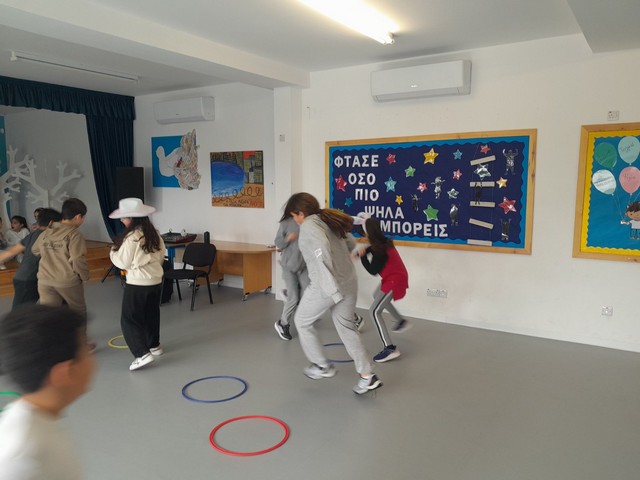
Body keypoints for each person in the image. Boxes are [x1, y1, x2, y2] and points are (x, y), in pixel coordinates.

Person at [288, 192, 382, 395]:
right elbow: (350, 244)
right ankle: (367, 376)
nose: (294, 220)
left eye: (294, 216)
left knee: (302, 321)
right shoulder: (327, 219)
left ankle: (321, 366)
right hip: (348, 282)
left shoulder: (309, 226)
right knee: (347, 329)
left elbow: (321, 247)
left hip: (326, 286)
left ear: (301, 213)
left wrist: (327, 276)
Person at [0, 305, 96, 480]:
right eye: (86, 351)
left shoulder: (42, 419)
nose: (93, 361)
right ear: (64, 373)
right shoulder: (23, 451)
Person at [109, 198, 166, 371]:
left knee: (129, 319)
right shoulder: (154, 234)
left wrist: (112, 252)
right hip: (155, 281)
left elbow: (122, 262)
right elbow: (161, 256)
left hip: (138, 283)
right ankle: (154, 345)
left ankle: (141, 354)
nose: (121, 220)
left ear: (132, 218)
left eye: (124, 217)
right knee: (151, 314)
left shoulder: (132, 237)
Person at [354, 216, 412, 363]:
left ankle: (389, 348)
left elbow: (373, 270)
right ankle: (400, 321)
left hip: (395, 280)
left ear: (369, 233)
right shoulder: (383, 242)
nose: (363, 237)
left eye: (364, 234)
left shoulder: (380, 250)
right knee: (377, 295)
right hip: (392, 277)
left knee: (374, 311)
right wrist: (362, 252)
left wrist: (362, 257)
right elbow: (371, 248)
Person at [31, 198, 90, 321]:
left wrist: (50, 252)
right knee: (78, 312)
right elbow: (77, 259)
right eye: (83, 217)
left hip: (45, 280)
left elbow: (35, 250)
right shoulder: (74, 234)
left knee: (49, 316)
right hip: (67, 281)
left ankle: (50, 334)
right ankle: (77, 334)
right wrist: (84, 276)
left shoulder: (47, 232)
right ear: (78, 217)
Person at [0, 208, 62, 310]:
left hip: (29, 278)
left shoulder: (33, 234)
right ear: (51, 223)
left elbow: (11, 251)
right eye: (59, 223)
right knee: (20, 313)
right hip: (28, 279)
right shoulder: (48, 236)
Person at [273, 202, 309, 340]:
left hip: (304, 266)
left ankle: (290, 294)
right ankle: (283, 323)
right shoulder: (286, 223)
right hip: (289, 266)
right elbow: (278, 242)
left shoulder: (309, 223)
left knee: (309, 292)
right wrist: (288, 239)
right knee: (294, 298)